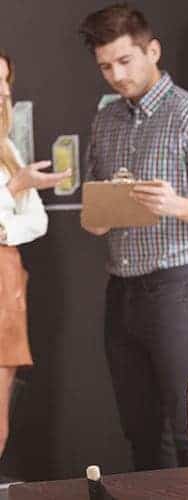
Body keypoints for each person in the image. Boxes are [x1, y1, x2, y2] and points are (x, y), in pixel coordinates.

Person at [78, 4, 188, 470]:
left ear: (153, 51)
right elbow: (92, 210)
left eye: (124, 61)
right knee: (140, 432)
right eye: (105, 66)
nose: (116, 75)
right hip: (121, 291)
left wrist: (174, 204)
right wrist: (99, 216)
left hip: (177, 290)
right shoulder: (106, 121)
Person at [0, 49, 70, 458]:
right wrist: (13, 189)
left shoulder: (7, 148)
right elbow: (17, 202)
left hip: (6, 289)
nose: (3, 91)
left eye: (5, 80)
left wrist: (3, 229)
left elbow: (37, 220)